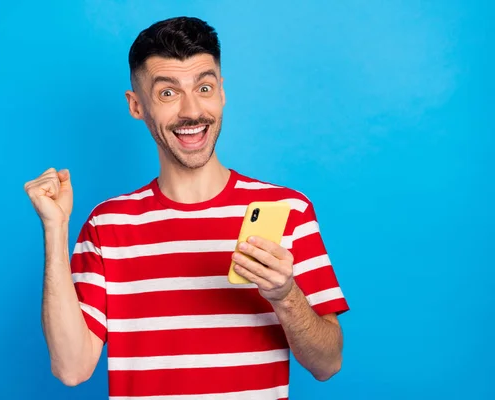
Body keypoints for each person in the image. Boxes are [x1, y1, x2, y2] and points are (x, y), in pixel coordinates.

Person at [24, 16, 349, 399]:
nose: (192, 111)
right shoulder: (107, 225)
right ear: (136, 105)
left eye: (204, 87)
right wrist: (55, 228)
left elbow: (328, 364)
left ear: (222, 92)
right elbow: (71, 368)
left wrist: (285, 294)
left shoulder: (287, 210)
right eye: (167, 93)